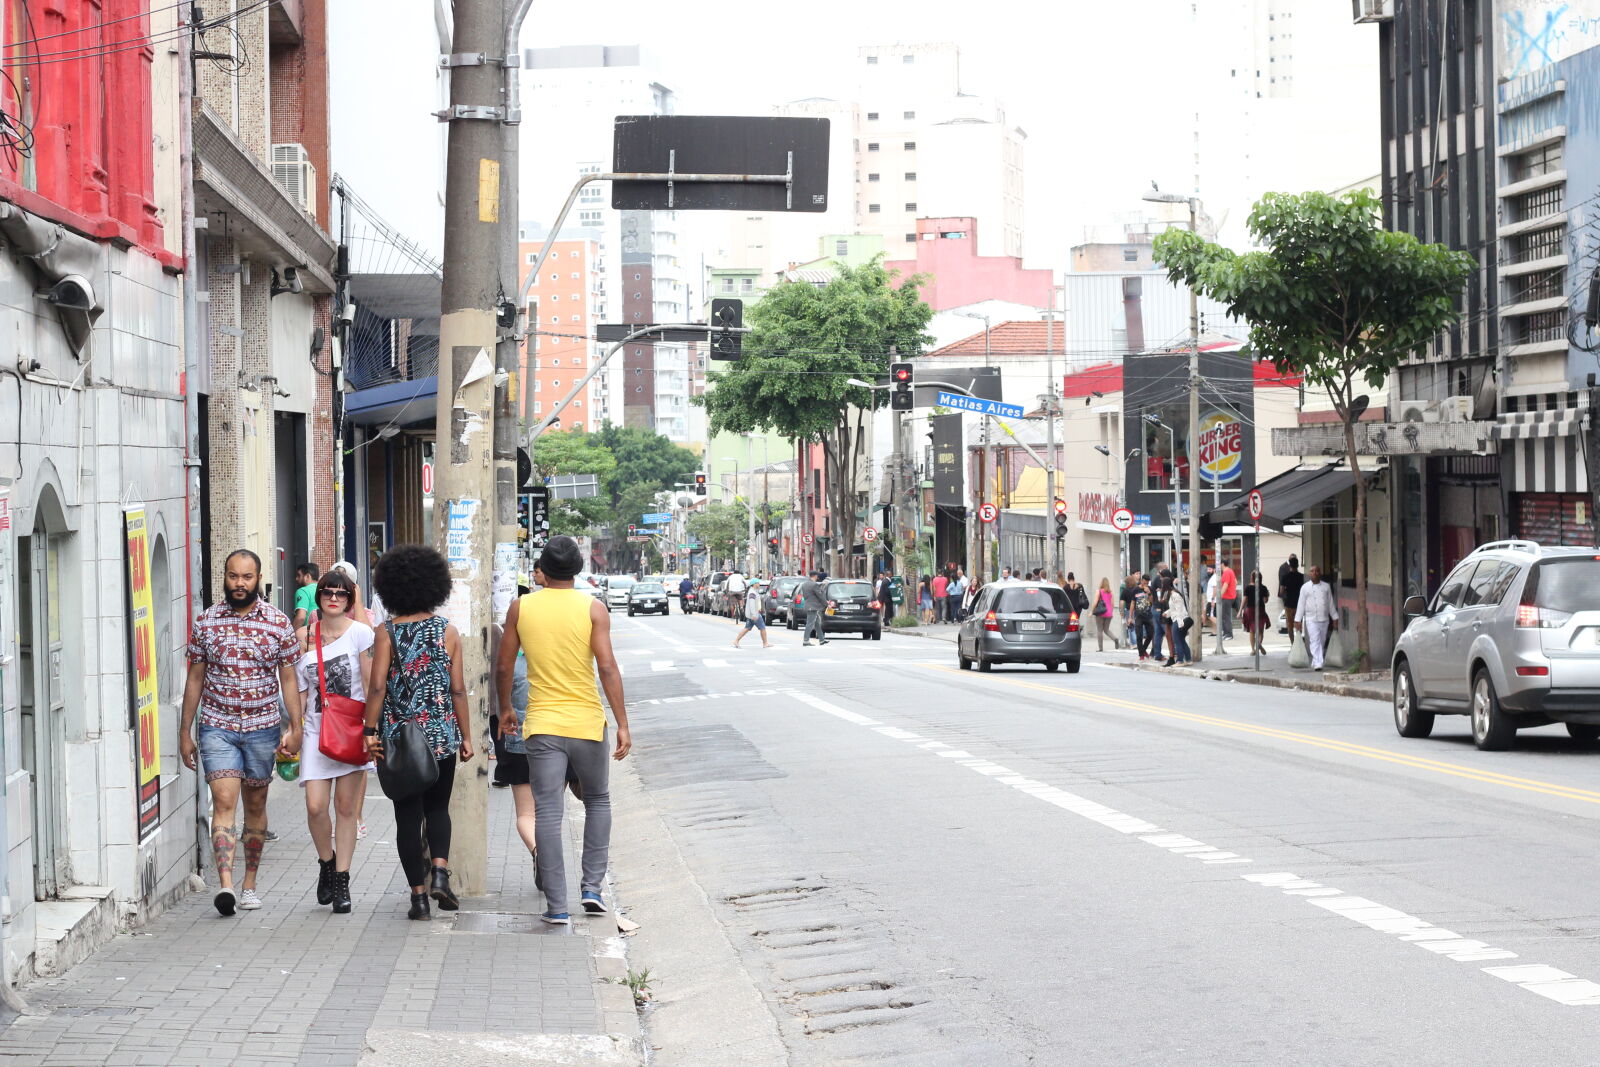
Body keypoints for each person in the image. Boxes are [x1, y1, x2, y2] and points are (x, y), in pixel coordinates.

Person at [494, 536, 632, 925]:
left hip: (541, 726)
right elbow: (607, 667)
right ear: (577, 568)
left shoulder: (521, 608)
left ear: (542, 570)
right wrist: (621, 723)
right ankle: (591, 889)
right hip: (587, 723)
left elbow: (504, 667)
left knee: (549, 813)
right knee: (598, 801)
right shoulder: (593, 608)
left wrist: (506, 708)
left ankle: (556, 907)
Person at [180, 549, 303, 916]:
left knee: (255, 805)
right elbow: (195, 678)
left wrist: (296, 727)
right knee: (224, 803)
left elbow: (289, 677)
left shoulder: (279, 623)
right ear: (225, 577)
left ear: (258, 578)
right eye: (233, 576)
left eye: (246, 577)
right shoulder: (205, 622)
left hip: (263, 728)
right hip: (217, 726)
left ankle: (250, 883)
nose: (239, 584)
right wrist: (185, 730)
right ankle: (227, 887)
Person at [363, 544, 474, 921]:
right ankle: (440, 871)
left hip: (400, 741)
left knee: (407, 818)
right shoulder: (448, 631)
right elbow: (458, 689)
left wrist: (369, 731)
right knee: (438, 808)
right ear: (434, 587)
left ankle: (419, 899)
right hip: (441, 735)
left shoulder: (386, 633)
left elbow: (377, 688)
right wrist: (468, 737)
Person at [293, 569, 374, 915]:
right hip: (315, 730)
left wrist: (373, 730)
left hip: (352, 729)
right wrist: (293, 729)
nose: (334, 598)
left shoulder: (361, 634)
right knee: (315, 806)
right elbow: (297, 688)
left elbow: (372, 687)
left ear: (350, 599)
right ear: (319, 596)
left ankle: (341, 880)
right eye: (328, 592)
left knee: (344, 808)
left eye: (342, 594)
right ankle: (326, 862)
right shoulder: (302, 637)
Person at [1299, 565, 1339, 670]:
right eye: (1312, 571)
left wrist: (1335, 617)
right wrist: (1297, 620)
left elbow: (1330, 603)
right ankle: (1318, 663)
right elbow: (1301, 605)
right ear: (1309, 574)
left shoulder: (1326, 587)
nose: (1315, 573)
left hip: (1324, 619)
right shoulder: (1305, 588)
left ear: (1320, 573)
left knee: (1321, 641)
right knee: (1314, 640)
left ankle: (1316, 660)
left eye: (1317, 571)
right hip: (1311, 619)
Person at [1163, 576, 1193, 666]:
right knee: (1181, 640)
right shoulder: (1172, 595)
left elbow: (1179, 610)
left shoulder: (1175, 595)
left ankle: (1180, 661)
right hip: (1178, 619)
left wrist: (1180, 623)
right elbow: (1174, 609)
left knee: (1177, 640)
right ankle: (1188, 659)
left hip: (1179, 620)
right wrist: (1166, 613)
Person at [1242, 569, 1272, 655]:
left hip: (1250, 610)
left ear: (1252, 578)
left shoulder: (1248, 588)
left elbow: (1244, 600)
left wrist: (1240, 610)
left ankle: (1253, 649)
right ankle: (1259, 644)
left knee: (1252, 631)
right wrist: (1267, 595)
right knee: (1261, 630)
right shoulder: (1263, 588)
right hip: (1260, 610)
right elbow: (1265, 601)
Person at [733, 582, 771, 648]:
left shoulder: (753, 591)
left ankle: (736, 641)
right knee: (762, 628)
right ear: (754, 584)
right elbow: (752, 604)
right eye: (758, 583)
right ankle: (765, 643)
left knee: (747, 628)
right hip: (755, 614)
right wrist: (754, 614)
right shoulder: (752, 593)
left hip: (753, 614)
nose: (759, 584)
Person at [800, 571, 829, 646]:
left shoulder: (804, 584)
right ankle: (806, 641)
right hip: (813, 607)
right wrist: (826, 604)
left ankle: (821, 639)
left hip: (808, 605)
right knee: (810, 624)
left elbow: (806, 596)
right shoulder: (814, 585)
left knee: (817, 624)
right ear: (815, 576)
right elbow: (820, 596)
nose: (817, 577)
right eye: (817, 576)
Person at [1278, 554, 1305, 636]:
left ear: (1289, 565)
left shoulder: (1285, 577)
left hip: (1288, 604)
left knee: (1289, 626)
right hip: (1299, 604)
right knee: (1298, 624)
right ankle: (1299, 641)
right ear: (1297, 565)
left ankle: (1293, 643)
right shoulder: (1302, 577)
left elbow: (1281, 592)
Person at [1132, 576, 1156, 660]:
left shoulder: (1150, 589)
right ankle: (1141, 655)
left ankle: (1143, 650)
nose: (1146, 584)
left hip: (1148, 615)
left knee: (1150, 634)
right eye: (1145, 582)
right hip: (1138, 615)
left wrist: (1149, 593)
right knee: (1139, 635)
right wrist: (1130, 617)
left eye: (1147, 583)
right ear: (1141, 581)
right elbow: (1132, 603)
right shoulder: (1135, 590)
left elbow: (1152, 601)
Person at [1217, 561, 1239, 650]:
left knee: (1225, 616)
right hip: (1231, 596)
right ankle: (1226, 633)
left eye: (1219, 564)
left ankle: (1229, 634)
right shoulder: (1231, 571)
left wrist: (1220, 596)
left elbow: (1225, 585)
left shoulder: (1226, 572)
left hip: (1227, 597)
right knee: (1225, 616)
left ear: (1222, 564)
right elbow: (1236, 582)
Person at [1092, 577, 1118, 651]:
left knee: (1100, 630)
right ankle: (1115, 638)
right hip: (1109, 613)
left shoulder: (1099, 591)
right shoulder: (1111, 592)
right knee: (1106, 630)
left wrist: (1092, 611)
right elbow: (1112, 604)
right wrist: (1111, 612)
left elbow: (1095, 602)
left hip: (1100, 613)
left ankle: (1100, 648)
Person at [292, 563, 320, 629]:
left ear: (307, 576)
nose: (296, 579)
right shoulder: (324, 589)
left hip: (308, 635)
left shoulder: (303, 591)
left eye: (299, 575)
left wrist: (291, 635)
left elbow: (301, 617)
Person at [1204, 565, 1219, 633]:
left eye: (1209, 569)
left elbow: (1215, 588)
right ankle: (1214, 632)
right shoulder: (1213, 577)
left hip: (1212, 601)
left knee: (1209, 615)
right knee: (1213, 615)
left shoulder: (1214, 578)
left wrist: (1213, 599)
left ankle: (1221, 626)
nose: (1208, 571)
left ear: (1214, 570)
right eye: (1207, 570)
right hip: (1211, 600)